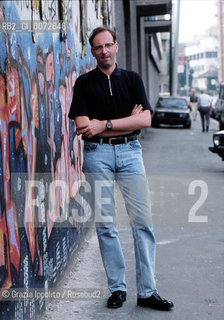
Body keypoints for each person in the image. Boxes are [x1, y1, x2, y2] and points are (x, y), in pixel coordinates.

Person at [68, 26, 174, 311]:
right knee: (106, 226)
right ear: (92, 52)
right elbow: (82, 128)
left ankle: (147, 291)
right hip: (97, 156)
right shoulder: (84, 83)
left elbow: (146, 121)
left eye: (108, 45)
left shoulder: (132, 79)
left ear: (116, 47)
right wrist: (128, 119)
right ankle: (117, 288)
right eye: (97, 47)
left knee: (143, 223)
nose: (103, 51)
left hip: (130, 153)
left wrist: (103, 124)